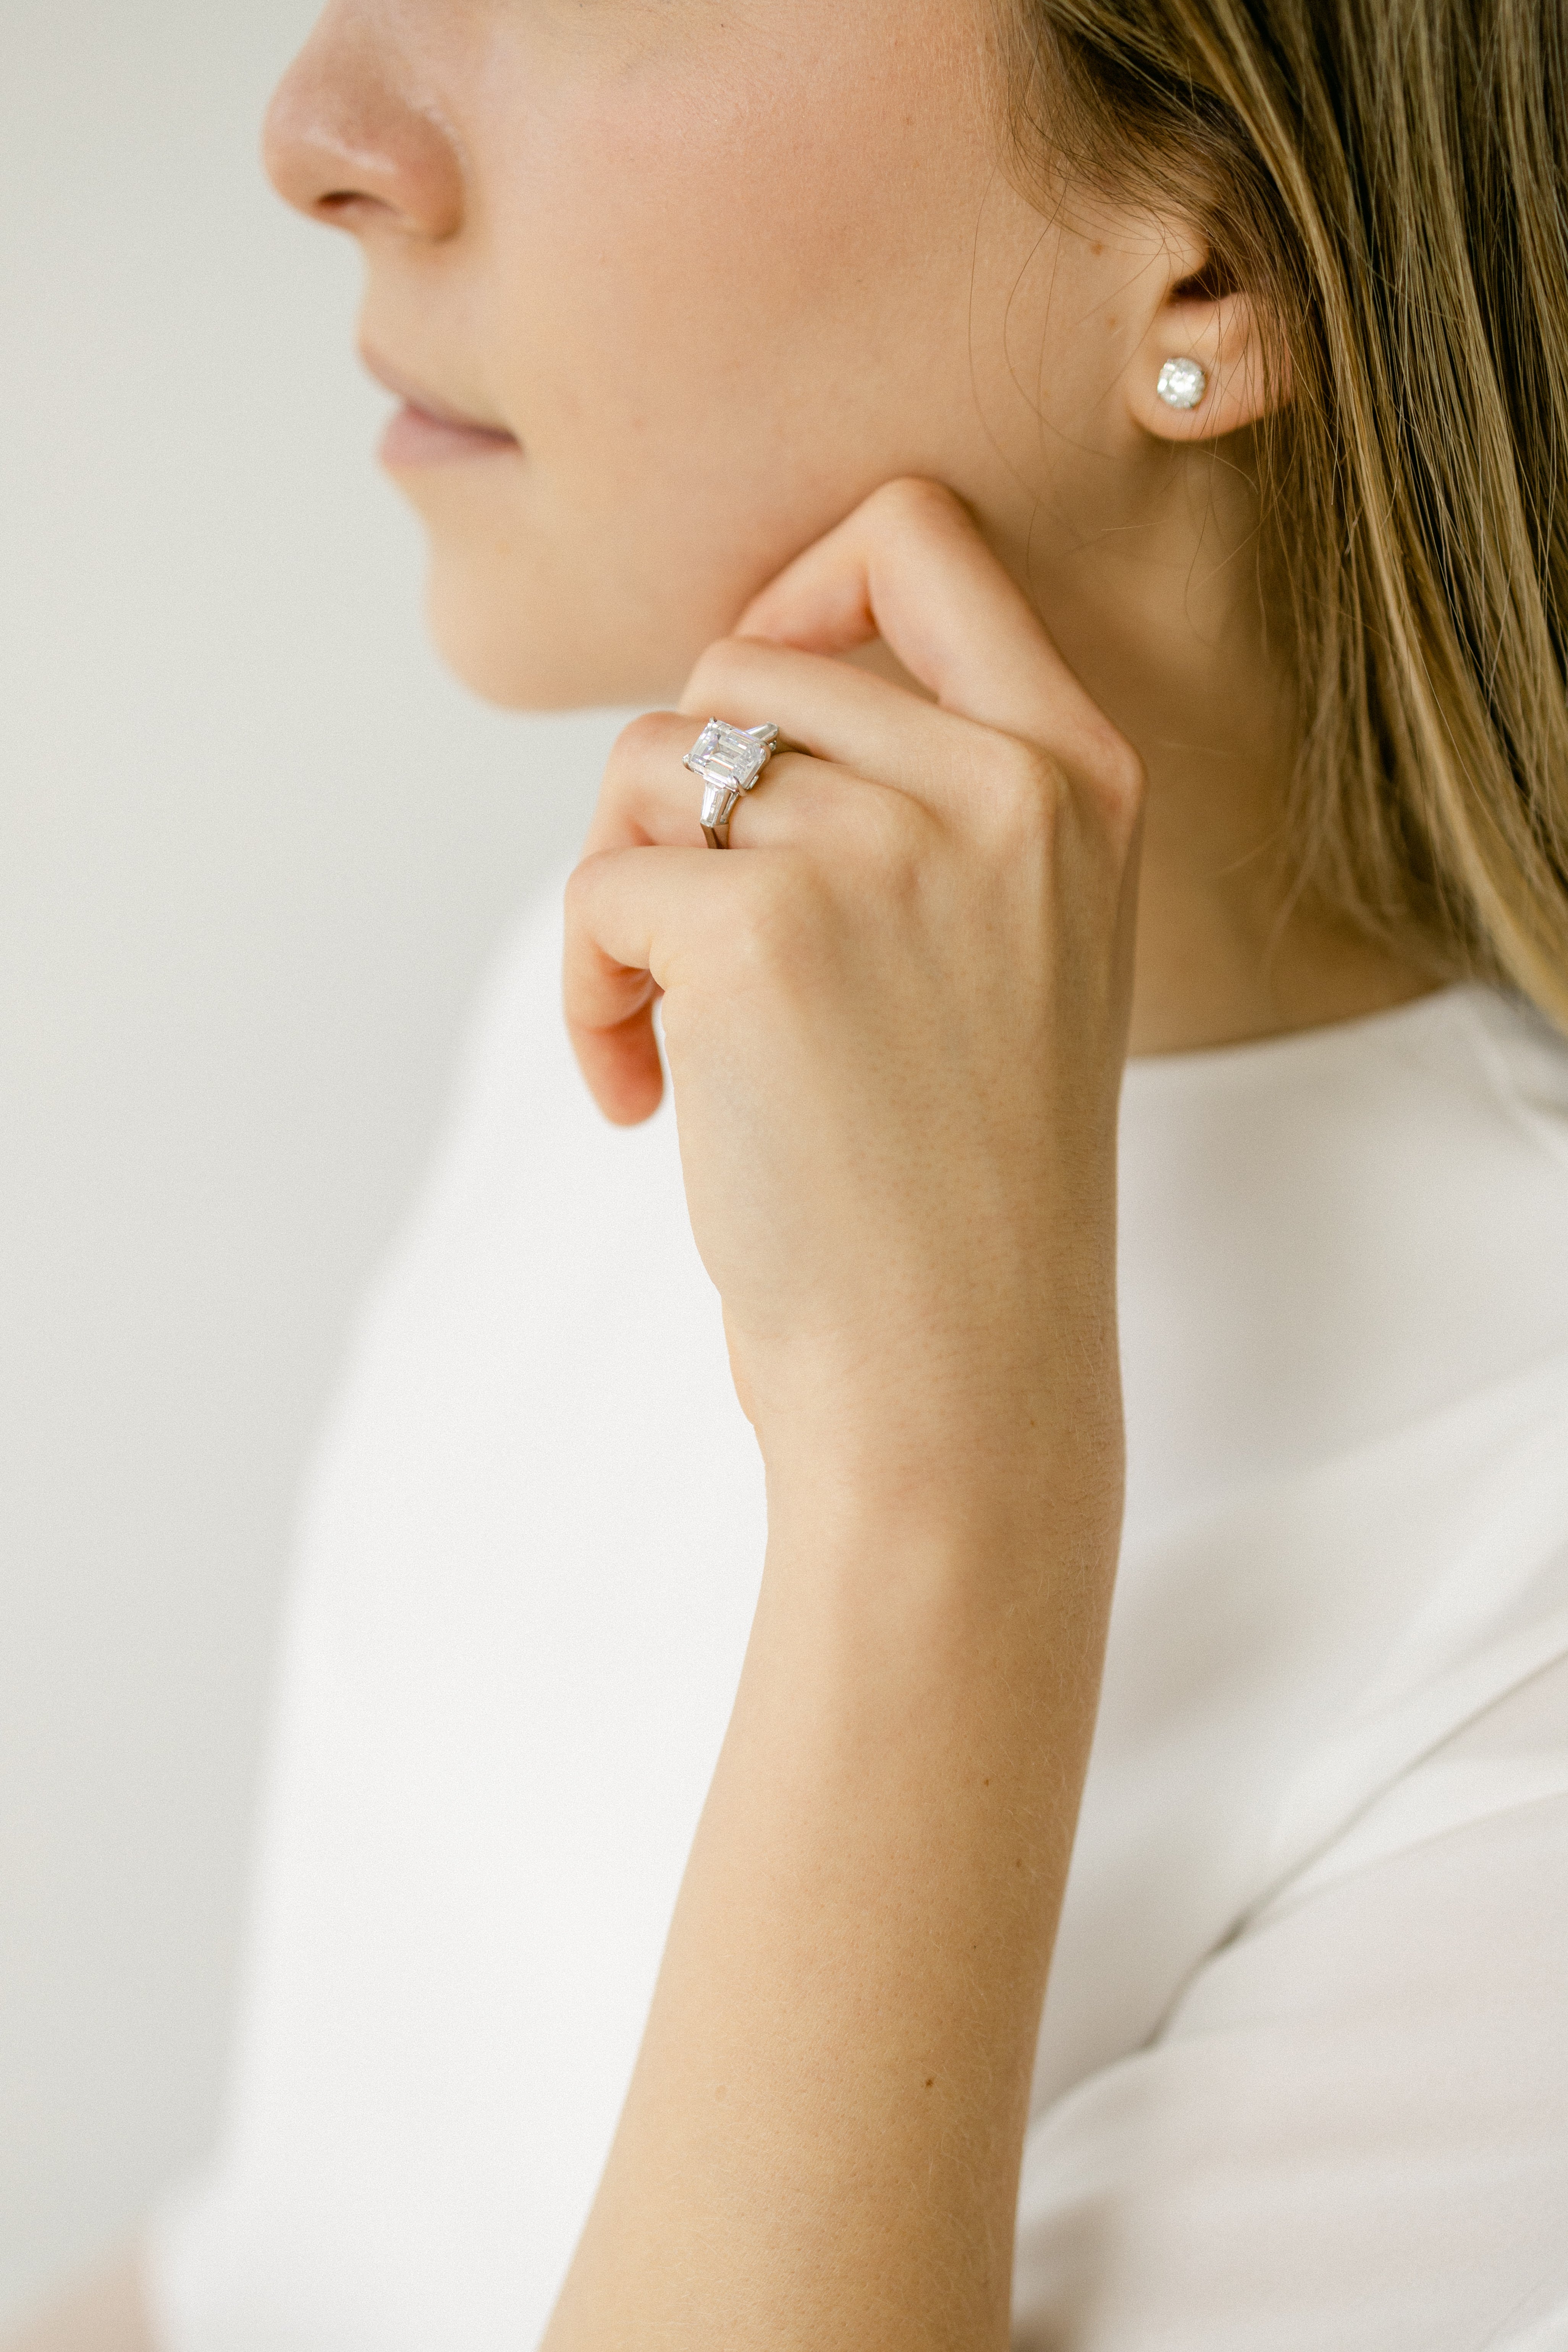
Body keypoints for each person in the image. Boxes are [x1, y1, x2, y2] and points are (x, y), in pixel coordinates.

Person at [13, 0, 1568, 2345]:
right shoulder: (651, 998)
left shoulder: (1522, 1607)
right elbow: (281, 2264)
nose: (320, 133)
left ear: (1220, 263)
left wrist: (941, 1494)